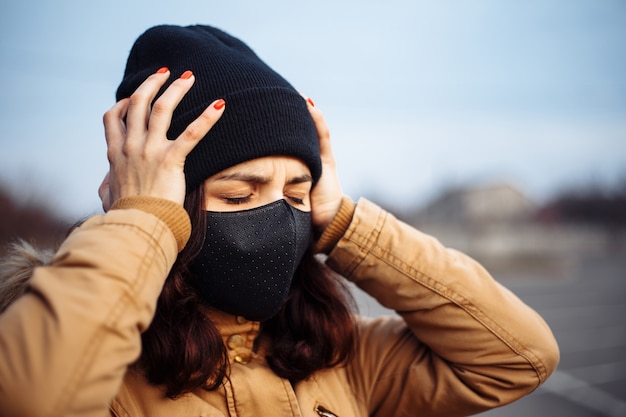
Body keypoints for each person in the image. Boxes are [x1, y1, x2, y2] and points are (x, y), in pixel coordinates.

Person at [0, 24, 559, 417]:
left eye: (296, 193)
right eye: (240, 196)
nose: (276, 218)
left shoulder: (337, 357)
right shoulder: (101, 367)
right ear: (171, 201)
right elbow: (36, 398)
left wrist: (345, 224)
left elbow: (521, 357)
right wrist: (141, 218)